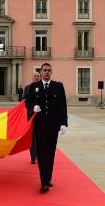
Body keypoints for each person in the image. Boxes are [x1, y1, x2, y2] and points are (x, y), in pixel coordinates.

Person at [26, 63, 68, 193]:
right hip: (40, 126)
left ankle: (48, 177)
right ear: (41, 71)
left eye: (49, 70)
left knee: (51, 153)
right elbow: (27, 102)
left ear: (52, 72)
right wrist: (33, 107)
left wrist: (63, 123)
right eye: (44, 70)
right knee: (42, 153)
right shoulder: (34, 87)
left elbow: (63, 106)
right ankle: (44, 182)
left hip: (53, 126)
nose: (47, 72)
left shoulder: (58, 86)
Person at [23, 70, 41, 164]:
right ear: (32, 77)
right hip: (31, 116)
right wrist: (32, 107)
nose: (37, 77)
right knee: (32, 137)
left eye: (38, 76)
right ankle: (33, 157)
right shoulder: (27, 88)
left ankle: (39, 155)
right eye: (35, 76)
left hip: (42, 117)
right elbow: (24, 101)